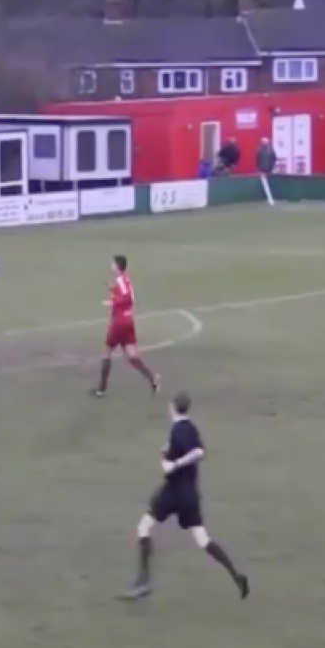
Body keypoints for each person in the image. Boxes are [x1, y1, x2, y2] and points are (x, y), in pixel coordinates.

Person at [120, 392, 249, 600]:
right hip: (190, 495)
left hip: (173, 493)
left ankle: (143, 581)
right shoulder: (190, 428)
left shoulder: (179, 429)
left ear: (172, 407)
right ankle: (237, 576)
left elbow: (197, 453)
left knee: (143, 527)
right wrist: (166, 454)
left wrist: (173, 463)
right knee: (203, 540)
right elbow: (194, 451)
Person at [93, 255, 158, 397]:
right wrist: (112, 290)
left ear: (117, 266)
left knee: (106, 353)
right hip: (128, 321)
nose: (111, 266)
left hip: (119, 322)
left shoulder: (121, 280)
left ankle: (101, 389)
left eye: (112, 264)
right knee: (132, 356)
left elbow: (126, 297)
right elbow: (127, 297)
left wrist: (112, 303)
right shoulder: (124, 280)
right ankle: (152, 378)